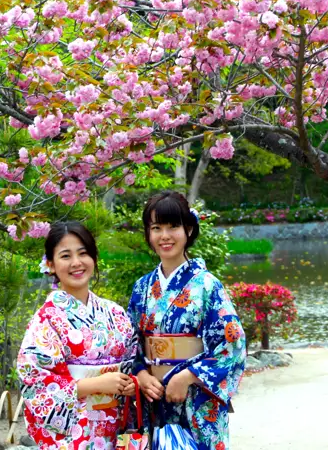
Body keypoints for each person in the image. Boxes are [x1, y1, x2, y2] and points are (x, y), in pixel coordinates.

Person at [127, 191, 246, 450]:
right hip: (154, 400)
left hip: (197, 401)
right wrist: (140, 375)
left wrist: (189, 375)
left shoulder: (207, 286)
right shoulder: (142, 288)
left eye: (173, 227)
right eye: (156, 228)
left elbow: (232, 346)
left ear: (188, 230)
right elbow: (130, 345)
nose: (164, 236)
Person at [17, 221, 138, 450]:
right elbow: (35, 382)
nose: (76, 263)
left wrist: (130, 383)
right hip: (75, 431)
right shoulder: (46, 320)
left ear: (93, 258)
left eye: (83, 253)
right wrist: (94, 384)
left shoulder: (116, 313)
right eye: (65, 256)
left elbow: (133, 364)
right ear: (51, 265)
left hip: (116, 427)